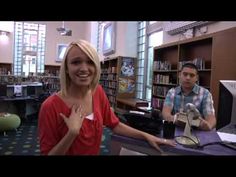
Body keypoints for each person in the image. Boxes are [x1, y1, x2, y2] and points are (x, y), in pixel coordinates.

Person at [38, 39, 176, 155]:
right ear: (66, 68)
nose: (84, 68)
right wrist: (72, 133)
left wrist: (146, 136)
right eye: (76, 62)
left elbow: (115, 125)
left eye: (90, 62)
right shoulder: (50, 107)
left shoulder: (97, 92)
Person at [162, 62, 216, 131]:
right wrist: (175, 119)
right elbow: (165, 114)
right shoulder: (172, 92)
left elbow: (211, 119)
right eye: (185, 74)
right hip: (176, 130)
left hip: (197, 133)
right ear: (179, 75)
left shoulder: (205, 93)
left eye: (192, 75)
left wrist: (208, 125)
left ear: (196, 78)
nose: (188, 78)